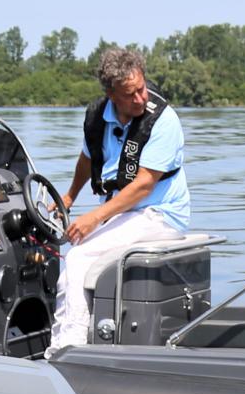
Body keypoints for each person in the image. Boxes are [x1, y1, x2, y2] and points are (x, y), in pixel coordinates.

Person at [54, 45, 190, 349]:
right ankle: (89, 340)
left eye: (141, 88)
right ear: (112, 94)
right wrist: (70, 196)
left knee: (78, 256)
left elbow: (143, 186)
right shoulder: (98, 118)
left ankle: (68, 347)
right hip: (124, 215)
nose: (140, 98)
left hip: (160, 215)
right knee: (76, 248)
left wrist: (94, 217)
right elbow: (88, 159)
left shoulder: (163, 120)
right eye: (130, 94)